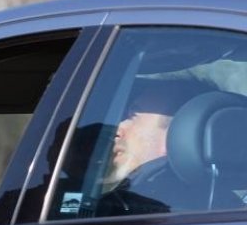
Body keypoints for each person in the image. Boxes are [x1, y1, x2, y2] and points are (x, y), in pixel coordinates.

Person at [97, 79, 235, 216]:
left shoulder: (126, 214)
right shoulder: (229, 213)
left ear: (179, 137)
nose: (118, 129)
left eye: (133, 117)